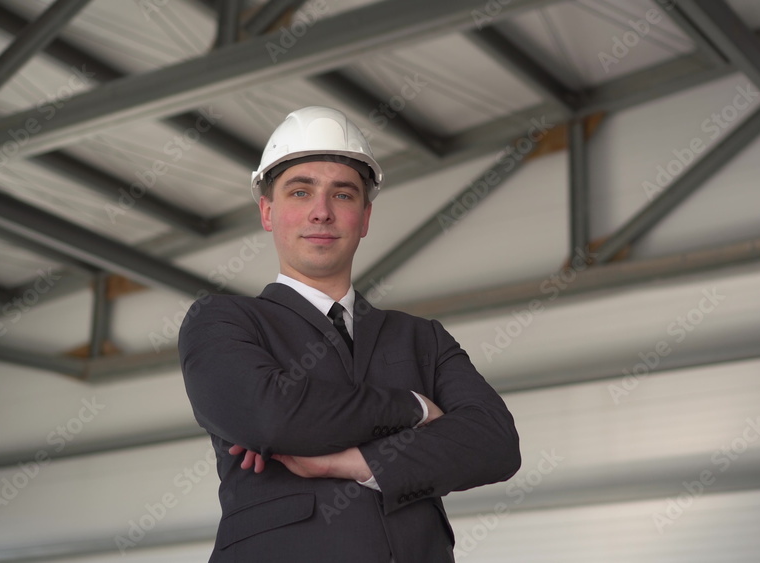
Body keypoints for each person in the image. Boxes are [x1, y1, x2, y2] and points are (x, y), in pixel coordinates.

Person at [179, 106, 521, 562]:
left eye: (342, 195)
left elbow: (495, 443)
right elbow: (272, 417)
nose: (321, 213)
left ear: (364, 218)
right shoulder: (223, 321)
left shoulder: (423, 339)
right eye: (300, 192)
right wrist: (415, 407)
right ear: (267, 211)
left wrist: (357, 462)